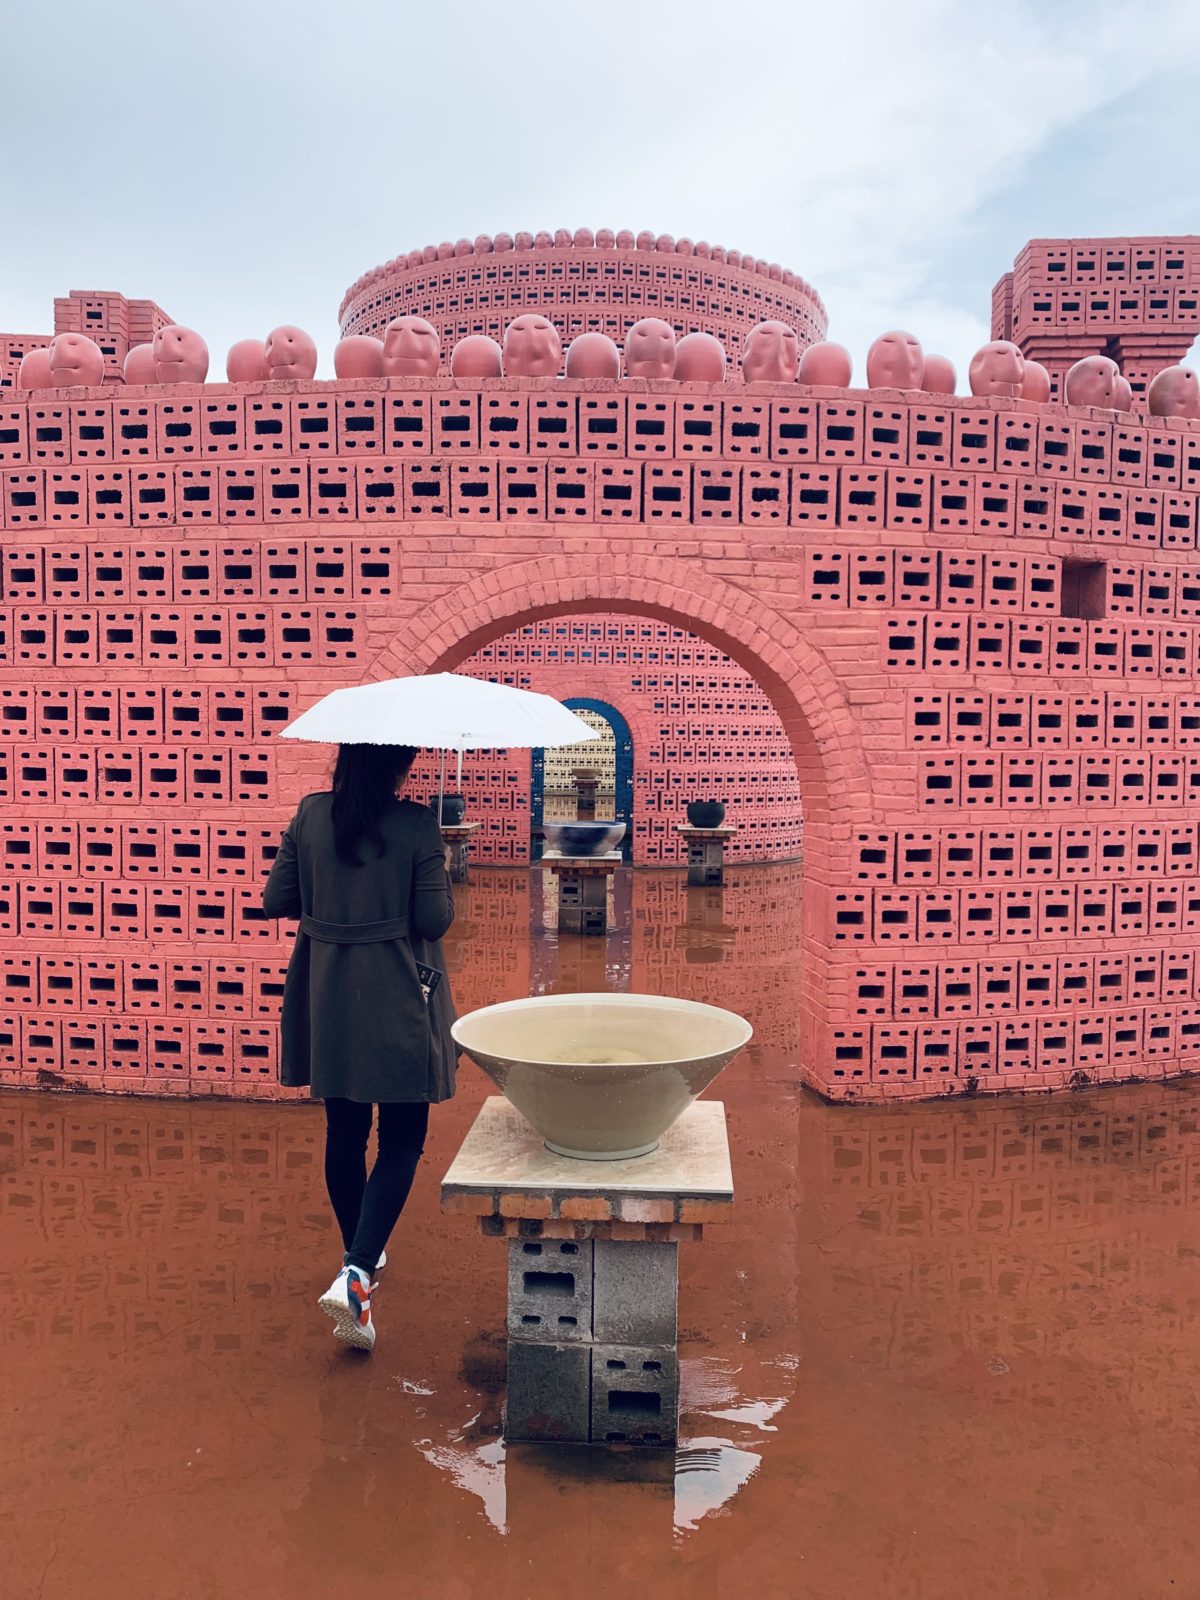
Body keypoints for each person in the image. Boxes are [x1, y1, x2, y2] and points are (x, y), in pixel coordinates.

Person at [262, 744, 457, 1352]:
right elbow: (434, 920)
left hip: (327, 999)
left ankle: (360, 1257)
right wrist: (435, 864)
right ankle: (357, 1270)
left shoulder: (310, 814)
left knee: (344, 1135)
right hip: (398, 995)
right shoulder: (417, 825)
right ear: (398, 768)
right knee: (402, 1138)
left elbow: (277, 901)